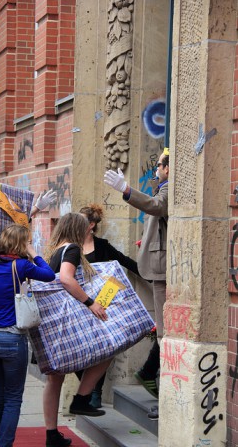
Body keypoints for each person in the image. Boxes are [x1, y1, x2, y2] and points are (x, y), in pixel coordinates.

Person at [0, 224, 55, 447]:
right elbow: (49, 275)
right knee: (12, 399)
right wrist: (34, 253)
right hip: (11, 338)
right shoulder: (21, 266)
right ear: (21, 244)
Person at [104, 148, 169, 420]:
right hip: (158, 266)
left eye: (160, 165)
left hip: (162, 270)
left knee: (166, 334)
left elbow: (157, 206)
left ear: (168, 168)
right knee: (164, 333)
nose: (156, 169)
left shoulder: (169, 187)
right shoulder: (163, 186)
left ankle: (166, 395)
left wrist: (127, 190)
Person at [43, 212, 111, 447]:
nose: (88, 233)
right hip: (68, 321)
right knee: (107, 349)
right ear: (77, 229)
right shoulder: (72, 248)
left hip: (52, 322)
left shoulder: (55, 250)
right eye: (85, 229)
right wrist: (91, 303)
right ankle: (82, 398)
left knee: (54, 380)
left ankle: (51, 434)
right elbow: (66, 279)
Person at [77, 204, 142, 408]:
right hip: (79, 299)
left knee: (102, 348)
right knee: (80, 347)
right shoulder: (71, 246)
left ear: (91, 225)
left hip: (103, 299)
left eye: (80, 221)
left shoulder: (102, 245)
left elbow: (123, 261)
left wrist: (152, 276)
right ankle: (86, 386)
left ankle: (95, 392)